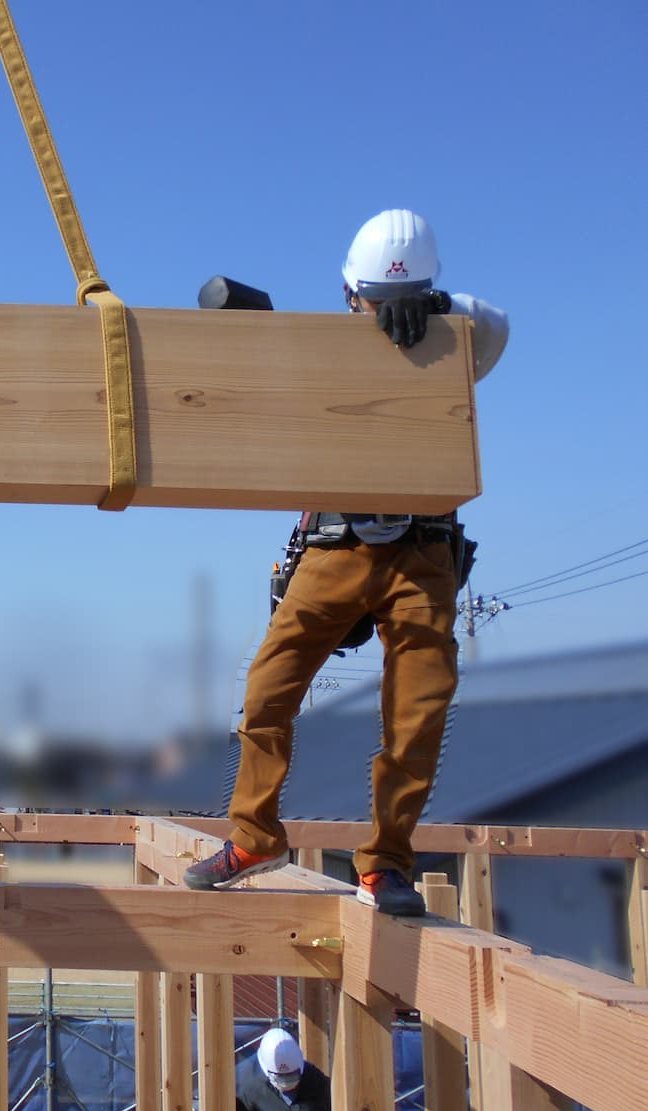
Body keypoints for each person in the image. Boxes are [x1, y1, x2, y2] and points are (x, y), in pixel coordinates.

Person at [185, 209, 509, 916]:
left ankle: (386, 862)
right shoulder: (321, 353)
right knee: (270, 687)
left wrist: (438, 309)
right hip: (334, 544)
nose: (377, 315)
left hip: (421, 551)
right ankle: (254, 836)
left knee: (417, 710)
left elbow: (498, 326)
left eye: (390, 302)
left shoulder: (450, 341)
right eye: (369, 301)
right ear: (347, 294)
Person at [235, 1027, 331, 1111]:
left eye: (292, 1076)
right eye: (279, 1078)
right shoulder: (254, 1089)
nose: (286, 1083)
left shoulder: (320, 1085)